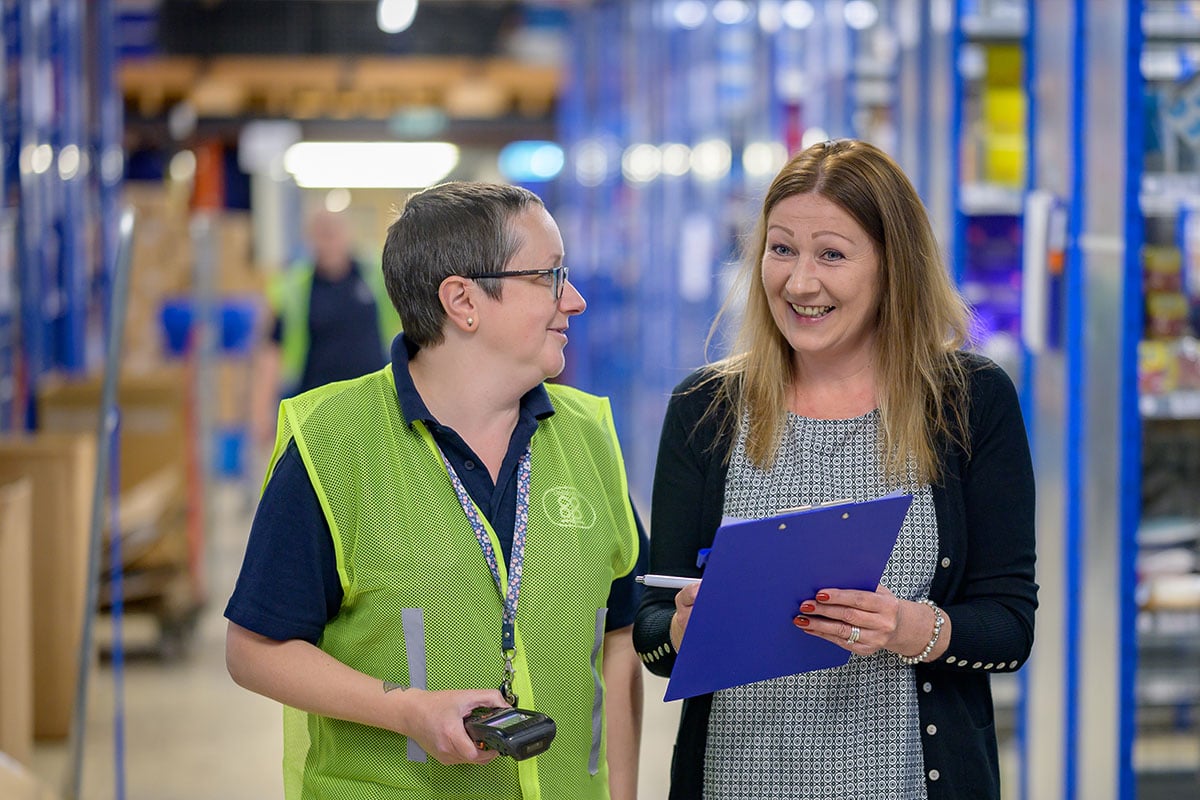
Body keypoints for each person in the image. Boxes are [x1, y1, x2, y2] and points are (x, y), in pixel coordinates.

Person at [632, 139, 1037, 800]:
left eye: (832, 255)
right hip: (737, 781)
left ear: (892, 268)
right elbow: (652, 628)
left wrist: (907, 628)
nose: (799, 283)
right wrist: (683, 624)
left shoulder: (968, 401)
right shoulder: (706, 409)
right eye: (781, 248)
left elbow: (1010, 625)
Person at [226, 181, 647, 800]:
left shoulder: (589, 439)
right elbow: (255, 649)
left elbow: (618, 640)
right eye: (551, 277)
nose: (576, 300)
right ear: (463, 300)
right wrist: (405, 710)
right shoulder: (330, 448)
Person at [251, 207, 401, 443]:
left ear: (348, 234)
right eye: (322, 234)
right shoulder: (294, 287)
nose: (329, 241)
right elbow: (272, 351)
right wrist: (261, 411)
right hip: (315, 409)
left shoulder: (376, 276)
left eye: (334, 233)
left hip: (373, 405)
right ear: (310, 238)